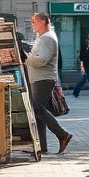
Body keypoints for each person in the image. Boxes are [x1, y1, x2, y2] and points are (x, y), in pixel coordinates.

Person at [26, 13, 74, 155]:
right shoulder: (42, 37)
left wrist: (26, 57)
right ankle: (42, 146)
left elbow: (41, 60)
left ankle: (62, 134)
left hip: (43, 78)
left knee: (37, 107)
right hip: (39, 78)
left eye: (34, 21)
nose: (32, 23)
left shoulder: (47, 38)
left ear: (44, 21)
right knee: (38, 111)